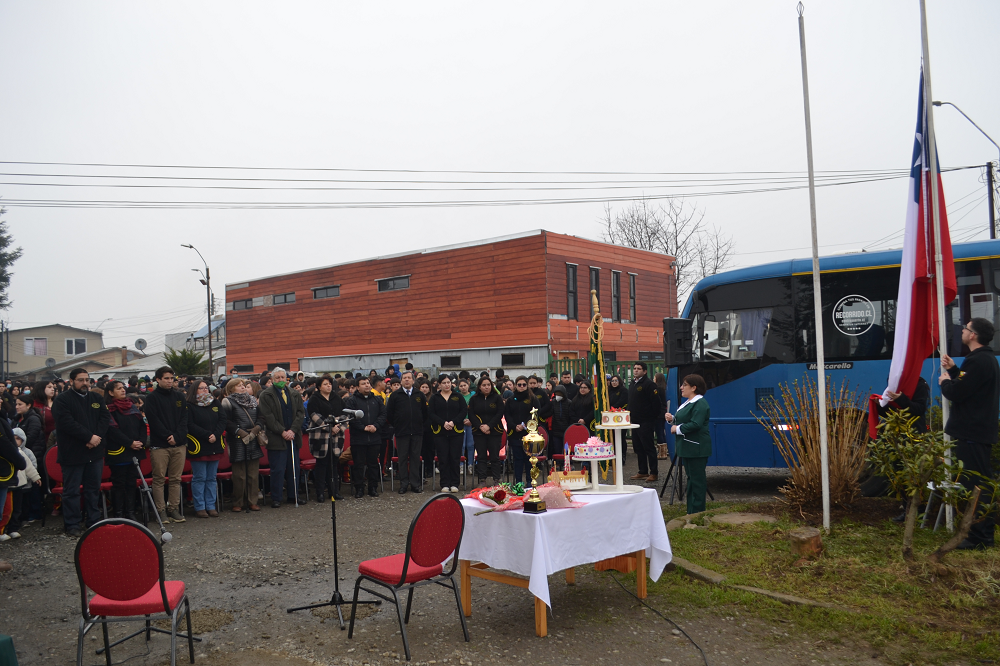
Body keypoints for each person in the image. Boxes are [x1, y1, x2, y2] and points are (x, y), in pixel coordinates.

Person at [940, 317, 1000, 550]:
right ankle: (981, 534)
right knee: (980, 482)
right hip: (978, 431)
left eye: (965, 328)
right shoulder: (984, 358)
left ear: (972, 335)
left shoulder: (976, 361)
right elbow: (971, 385)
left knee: (976, 485)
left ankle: (979, 537)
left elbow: (958, 392)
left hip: (972, 432)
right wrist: (954, 370)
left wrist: (945, 382)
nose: (962, 331)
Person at [52, 368, 109, 536]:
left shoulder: (96, 398)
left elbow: (105, 418)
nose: (85, 383)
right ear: (71, 382)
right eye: (81, 380)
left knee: (93, 489)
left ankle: (93, 521)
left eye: (87, 379)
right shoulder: (62, 400)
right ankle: (73, 525)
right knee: (72, 491)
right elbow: (66, 423)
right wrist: (88, 437)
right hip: (72, 453)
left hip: (95, 453)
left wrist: (96, 437)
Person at [144, 366, 189, 523]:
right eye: (166, 378)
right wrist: (167, 436)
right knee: (159, 479)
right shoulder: (151, 398)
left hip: (179, 444)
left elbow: (184, 418)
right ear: (158, 379)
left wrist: (177, 436)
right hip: (160, 445)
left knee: (176, 478)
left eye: (172, 378)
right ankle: (160, 510)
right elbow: (154, 420)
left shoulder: (179, 397)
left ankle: (174, 509)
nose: (170, 381)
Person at [258, 367, 306, 508]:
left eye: (282, 377)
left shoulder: (294, 393)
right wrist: (282, 431)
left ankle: (293, 495)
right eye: (277, 378)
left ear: (286, 379)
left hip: (293, 437)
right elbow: (268, 417)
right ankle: (277, 497)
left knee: (294, 468)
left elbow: (300, 413)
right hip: (276, 437)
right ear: (272, 379)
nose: (280, 380)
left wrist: (293, 430)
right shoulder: (266, 395)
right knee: (278, 469)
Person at [665, 374, 711, 515]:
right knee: (691, 480)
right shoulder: (688, 402)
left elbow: (696, 424)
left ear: (694, 387)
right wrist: (673, 419)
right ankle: (691, 511)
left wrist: (677, 428)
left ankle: (698, 512)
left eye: (684, 384)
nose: (681, 387)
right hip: (688, 447)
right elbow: (685, 419)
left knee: (697, 481)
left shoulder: (701, 403)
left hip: (697, 448)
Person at [102, 381, 146, 521]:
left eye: (123, 388)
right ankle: (119, 514)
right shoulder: (108, 409)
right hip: (119, 451)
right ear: (110, 392)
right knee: (119, 483)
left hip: (135, 451)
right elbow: (112, 430)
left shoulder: (132, 406)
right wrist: (129, 443)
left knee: (131, 482)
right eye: (119, 388)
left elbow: (142, 425)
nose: (122, 390)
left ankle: (131, 512)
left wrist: (141, 442)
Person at [222, 378, 264, 512]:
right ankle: (238, 502)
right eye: (239, 386)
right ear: (231, 389)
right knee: (239, 474)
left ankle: (252, 501)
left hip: (253, 438)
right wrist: (239, 432)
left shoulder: (253, 400)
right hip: (237, 440)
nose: (242, 387)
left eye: (243, 385)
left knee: (253, 473)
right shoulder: (227, 401)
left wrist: (257, 428)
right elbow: (226, 421)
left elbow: (261, 417)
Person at [186, 380, 226, 518]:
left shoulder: (214, 403)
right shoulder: (189, 405)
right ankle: (200, 506)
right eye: (201, 388)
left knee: (211, 478)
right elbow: (189, 424)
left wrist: (215, 434)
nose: (204, 390)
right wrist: (206, 435)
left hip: (214, 444)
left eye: (206, 388)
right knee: (200, 477)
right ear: (194, 390)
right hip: (199, 445)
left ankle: (211, 505)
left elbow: (222, 419)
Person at [386, 371, 428, 495]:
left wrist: (419, 424)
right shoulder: (395, 395)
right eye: (404, 378)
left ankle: (415, 484)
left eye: (409, 378)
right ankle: (404, 483)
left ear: (413, 380)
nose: (407, 380)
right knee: (402, 458)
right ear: (401, 381)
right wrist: (398, 425)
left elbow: (425, 413)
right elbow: (390, 414)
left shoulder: (419, 394)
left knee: (415, 458)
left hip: (416, 432)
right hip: (401, 432)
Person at [306, 375, 346, 502]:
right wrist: (329, 428)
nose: (328, 386)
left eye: (329, 383)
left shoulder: (337, 398)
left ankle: (334, 492)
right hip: (321, 436)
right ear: (319, 387)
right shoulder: (314, 399)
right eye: (325, 384)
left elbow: (344, 414)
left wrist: (338, 426)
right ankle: (320, 493)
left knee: (334, 465)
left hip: (336, 436)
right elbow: (314, 416)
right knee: (322, 465)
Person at [346, 377, 386, 498]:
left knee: (373, 464)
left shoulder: (377, 399)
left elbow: (383, 415)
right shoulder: (352, 400)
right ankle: (359, 488)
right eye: (363, 384)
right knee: (358, 465)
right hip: (359, 438)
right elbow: (350, 417)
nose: (367, 385)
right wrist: (363, 428)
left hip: (374, 437)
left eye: (368, 383)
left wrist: (375, 426)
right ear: (357, 387)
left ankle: (373, 488)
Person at [428, 375, 467, 493]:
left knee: (454, 458)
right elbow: (431, 413)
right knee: (443, 458)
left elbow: (463, 411)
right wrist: (443, 423)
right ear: (439, 384)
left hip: (456, 431)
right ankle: (444, 483)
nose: (446, 384)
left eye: (448, 382)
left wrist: (453, 422)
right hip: (440, 432)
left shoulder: (458, 396)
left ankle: (455, 483)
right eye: (444, 382)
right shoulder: (435, 398)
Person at [13, 394, 45, 522]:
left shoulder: (33, 419)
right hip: (20, 453)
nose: (17, 407)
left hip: (32, 454)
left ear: (28, 405)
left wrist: (21, 450)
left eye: (20, 404)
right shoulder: (17, 419)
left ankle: (34, 512)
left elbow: (31, 437)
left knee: (33, 487)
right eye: (16, 404)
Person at [628, 362, 662, 483]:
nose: (636, 370)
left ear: (645, 371)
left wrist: (651, 417)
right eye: (635, 368)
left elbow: (656, 403)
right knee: (638, 447)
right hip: (635, 421)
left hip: (646, 421)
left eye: (639, 369)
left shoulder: (649, 384)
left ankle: (654, 472)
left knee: (648, 447)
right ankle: (642, 471)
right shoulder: (633, 383)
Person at [0, 427, 35, 542]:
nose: (15, 441)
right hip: (8, 484)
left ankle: (13, 528)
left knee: (16, 509)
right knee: (6, 509)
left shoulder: (21, 452)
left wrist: (36, 477)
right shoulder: (9, 451)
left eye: (18, 438)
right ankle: (3, 530)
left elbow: (28, 466)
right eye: (13, 438)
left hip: (19, 485)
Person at [504, 376, 539, 487]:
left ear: (527, 385)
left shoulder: (533, 398)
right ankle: (518, 482)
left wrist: (524, 425)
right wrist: (515, 426)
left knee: (528, 458)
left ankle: (529, 481)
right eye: (519, 384)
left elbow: (536, 413)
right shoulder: (510, 400)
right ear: (515, 386)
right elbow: (507, 415)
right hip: (515, 433)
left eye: (524, 384)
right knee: (517, 458)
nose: (522, 387)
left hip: (529, 433)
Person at [468, 377, 504, 484]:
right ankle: (482, 479)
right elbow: (471, 414)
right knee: (481, 456)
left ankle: (496, 479)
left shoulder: (497, 398)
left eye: (488, 385)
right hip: (479, 432)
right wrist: (480, 426)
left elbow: (499, 413)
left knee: (495, 457)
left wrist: (489, 426)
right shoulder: (474, 399)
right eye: (484, 385)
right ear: (479, 386)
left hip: (495, 431)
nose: (486, 387)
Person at [548, 384, 573, 459]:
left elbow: (571, 416)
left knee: (567, 449)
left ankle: (568, 463)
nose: (557, 395)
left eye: (559, 394)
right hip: (556, 429)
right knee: (557, 448)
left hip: (566, 429)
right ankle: (558, 463)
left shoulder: (569, 403)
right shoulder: (553, 402)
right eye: (556, 394)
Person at [417, 379, 436, 478]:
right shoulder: (417, 398)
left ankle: (430, 469)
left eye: (426, 387)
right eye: (423, 387)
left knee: (430, 450)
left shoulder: (432, 398)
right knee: (421, 450)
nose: (424, 389)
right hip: (420, 427)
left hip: (431, 428)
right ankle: (421, 471)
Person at [457, 379, 476, 474]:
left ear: (468, 385)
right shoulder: (457, 396)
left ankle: (470, 465)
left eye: (465, 385)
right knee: (461, 445)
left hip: (471, 423)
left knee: (470, 445)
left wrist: (471, 420)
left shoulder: (474, 396)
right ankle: (461, 465)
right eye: (461, 386)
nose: (463, 387)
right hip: (460, 423)